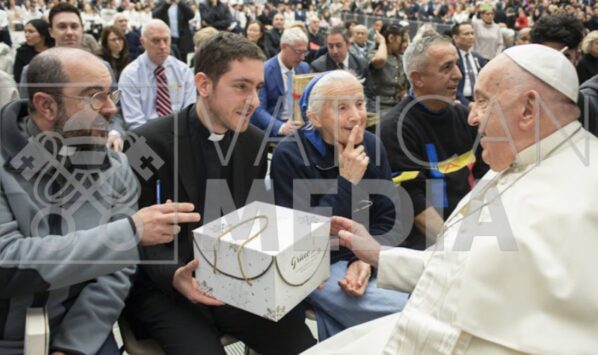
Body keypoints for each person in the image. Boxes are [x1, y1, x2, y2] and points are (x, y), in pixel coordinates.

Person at [302, 43, 598, 355]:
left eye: (483, 102)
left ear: (528, 110)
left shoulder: (579, 198)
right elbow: (455, 263)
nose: (472, 116)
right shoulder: (519, 159)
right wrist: (376, 254)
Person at [124, 32, 316, 355]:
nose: (254, 101)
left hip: (235, 282)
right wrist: (174, 276)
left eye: (257, 88)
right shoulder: (146, 143)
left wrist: (296, 264)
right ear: (203, 84)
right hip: (164, 289)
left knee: (301, 345)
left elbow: (253, 224)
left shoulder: (254, 143)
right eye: (241, 87)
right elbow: (127, 236)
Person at [0, 47, 200, 355]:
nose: (110, 108)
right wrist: (129, 232)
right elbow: (8, 265)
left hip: (81, 332)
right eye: (94, 96)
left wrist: (73, 345)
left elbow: (116, 272)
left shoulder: (115, 168)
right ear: (46, 105)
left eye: (111, 94)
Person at [271, 70, 408, 341]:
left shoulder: (371, 144)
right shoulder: (289, 155)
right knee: (406, 312)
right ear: (314, 118)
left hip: (368, 254)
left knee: (419, 294)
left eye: (360, 104)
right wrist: (346, 181)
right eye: (341, 108)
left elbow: (389, 217)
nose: (356, 116)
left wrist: (364, 259)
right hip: (315, 267)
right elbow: (304, 239)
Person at [380, 33, 487, 250]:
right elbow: (413, 201)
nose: (458, 75)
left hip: (470, 230)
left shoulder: (463, 117)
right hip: (428, 245)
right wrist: (456, 247)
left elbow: (485, 175)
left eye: (456, 65)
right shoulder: (395, 128)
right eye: (446, 68)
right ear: (417, 78)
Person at [19, 3, 125, 151]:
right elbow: (30, 116)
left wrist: (115, 132)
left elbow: (116, 111)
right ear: (51, 31)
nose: (69, 32)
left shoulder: (103, 68)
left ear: (82, 30)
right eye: (62, 27)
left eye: (74, 26)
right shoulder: (31, 71)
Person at [118, 19, 195, 129]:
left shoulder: (183, 71)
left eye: (166, 40)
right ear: (143, 42)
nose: (163, 46)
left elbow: (190, 112)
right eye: (156, 41)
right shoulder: (130, 75)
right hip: (147, 136)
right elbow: (134, 121)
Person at [251, 27, 310, 137]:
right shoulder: (265, 70)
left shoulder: (304, 68)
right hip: (275, 127)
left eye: (304, 52)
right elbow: (258, 109)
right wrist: (281, 127)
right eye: (298, 52)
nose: (302, 57)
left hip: (300, 124)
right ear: (283, 47)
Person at [311, 26, 377, 113]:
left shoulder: (361, 64)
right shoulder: (319, 67)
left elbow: (370, 95)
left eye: (339, 46)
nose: (335, 51)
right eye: (330, 46)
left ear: (348, 44)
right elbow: (315, 101)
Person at [369, 24, 409, 117]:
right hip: (378, 108)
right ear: (391, 38)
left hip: (397, 107)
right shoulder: (374, 54)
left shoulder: (400, 58)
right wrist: (382, 42)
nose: (405, 45)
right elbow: (381, 60)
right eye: (402, 41)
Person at [452, 22, 486, 106]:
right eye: (466, 34)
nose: (471, 37)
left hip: (478, 101)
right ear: (455, 38)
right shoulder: (452, 57)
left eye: (472, 33)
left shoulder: (478, 58)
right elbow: (450, 85)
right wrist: (467, 103)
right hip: (459, 101)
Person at [13, 19, 52, 83]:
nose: (27, 35)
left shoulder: (56, 49)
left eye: (31, 31)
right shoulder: (22, 52)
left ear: (43, 33)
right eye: (25, 32)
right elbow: (18, 77)